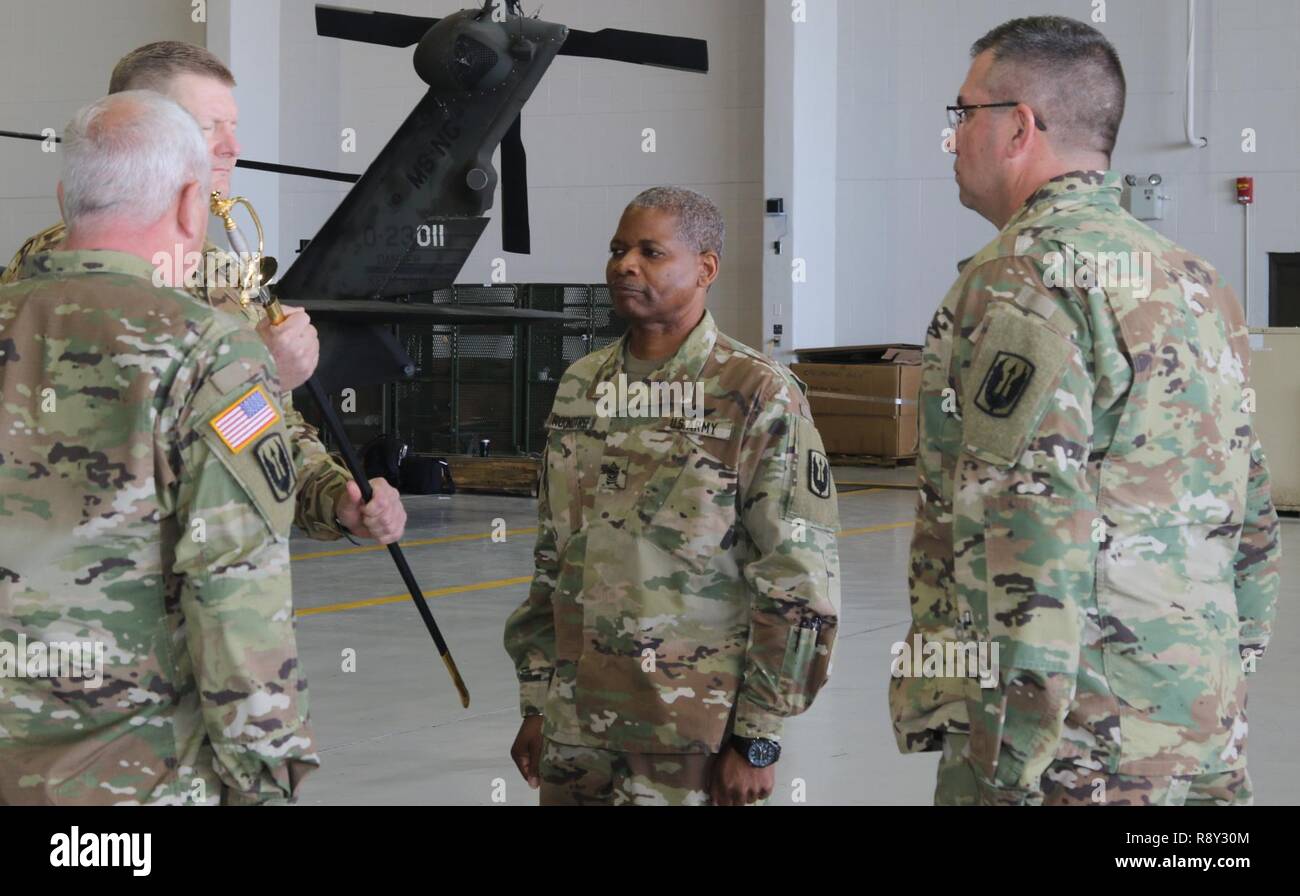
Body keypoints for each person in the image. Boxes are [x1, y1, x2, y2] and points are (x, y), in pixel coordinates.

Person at [890, 15, 1281, 806]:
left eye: (961, 114)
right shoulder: (1195, 280)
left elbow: (1023, 534)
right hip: (1196, 725)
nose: (952, 137)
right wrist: (1219, 681)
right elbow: (1250, 514)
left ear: (1017, 129)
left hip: (1074, 750)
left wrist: (1010, 755)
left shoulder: (1022, 281)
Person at [0, 91, 318, 804]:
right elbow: (235, 592)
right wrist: (266, 782)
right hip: (135, 787)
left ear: (66, 196)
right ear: (188, 203)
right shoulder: (209, 352)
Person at [504, 186, 841, 806]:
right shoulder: (583, 385)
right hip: (576, 729)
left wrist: (758, 738)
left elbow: (798, 578)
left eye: (651, 251)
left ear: (705, 268)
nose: (625, 264)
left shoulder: (756, 393)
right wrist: (537, 700)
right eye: (618, 249)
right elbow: (554, 557)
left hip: (691, 734)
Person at [0, 40, 405, 545]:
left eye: (233, 126)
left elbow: (263, 427)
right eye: (207, 126)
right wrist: (265, 375)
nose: (231, 146)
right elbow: (109, 447)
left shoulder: (218, 270)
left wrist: (335, 497)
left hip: (218, 584)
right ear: (136, 128)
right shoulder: (59, 272)